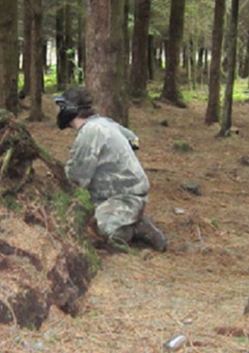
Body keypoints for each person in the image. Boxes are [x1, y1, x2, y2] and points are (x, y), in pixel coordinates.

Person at [55, 86, 167, 252]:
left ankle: (136, 228)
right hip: (113, 195)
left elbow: (77, 179)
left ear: (71, 110)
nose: (59, 112)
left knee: (95, 234)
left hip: (123, 198)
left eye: (62, 107)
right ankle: (130, 219)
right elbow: (133, 140)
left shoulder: (91, 131)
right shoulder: (103, 123)